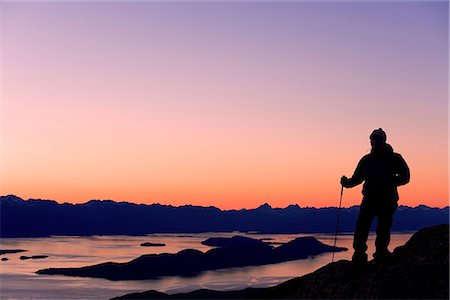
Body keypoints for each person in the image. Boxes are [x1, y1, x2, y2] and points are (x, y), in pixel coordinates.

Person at [341, 128, 410, 264]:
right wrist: (346, 182)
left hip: (386, 200)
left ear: (383, 141)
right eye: (374, 139)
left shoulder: (394, 158)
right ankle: (360, 254)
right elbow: (357, 178)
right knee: (362, 227)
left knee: (382, 228)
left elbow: (406, 177)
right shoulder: (367, 160)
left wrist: (390, 181)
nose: (375, 141)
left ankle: (380, 253)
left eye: (378, 139)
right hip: (370, 199)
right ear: (371, 140)